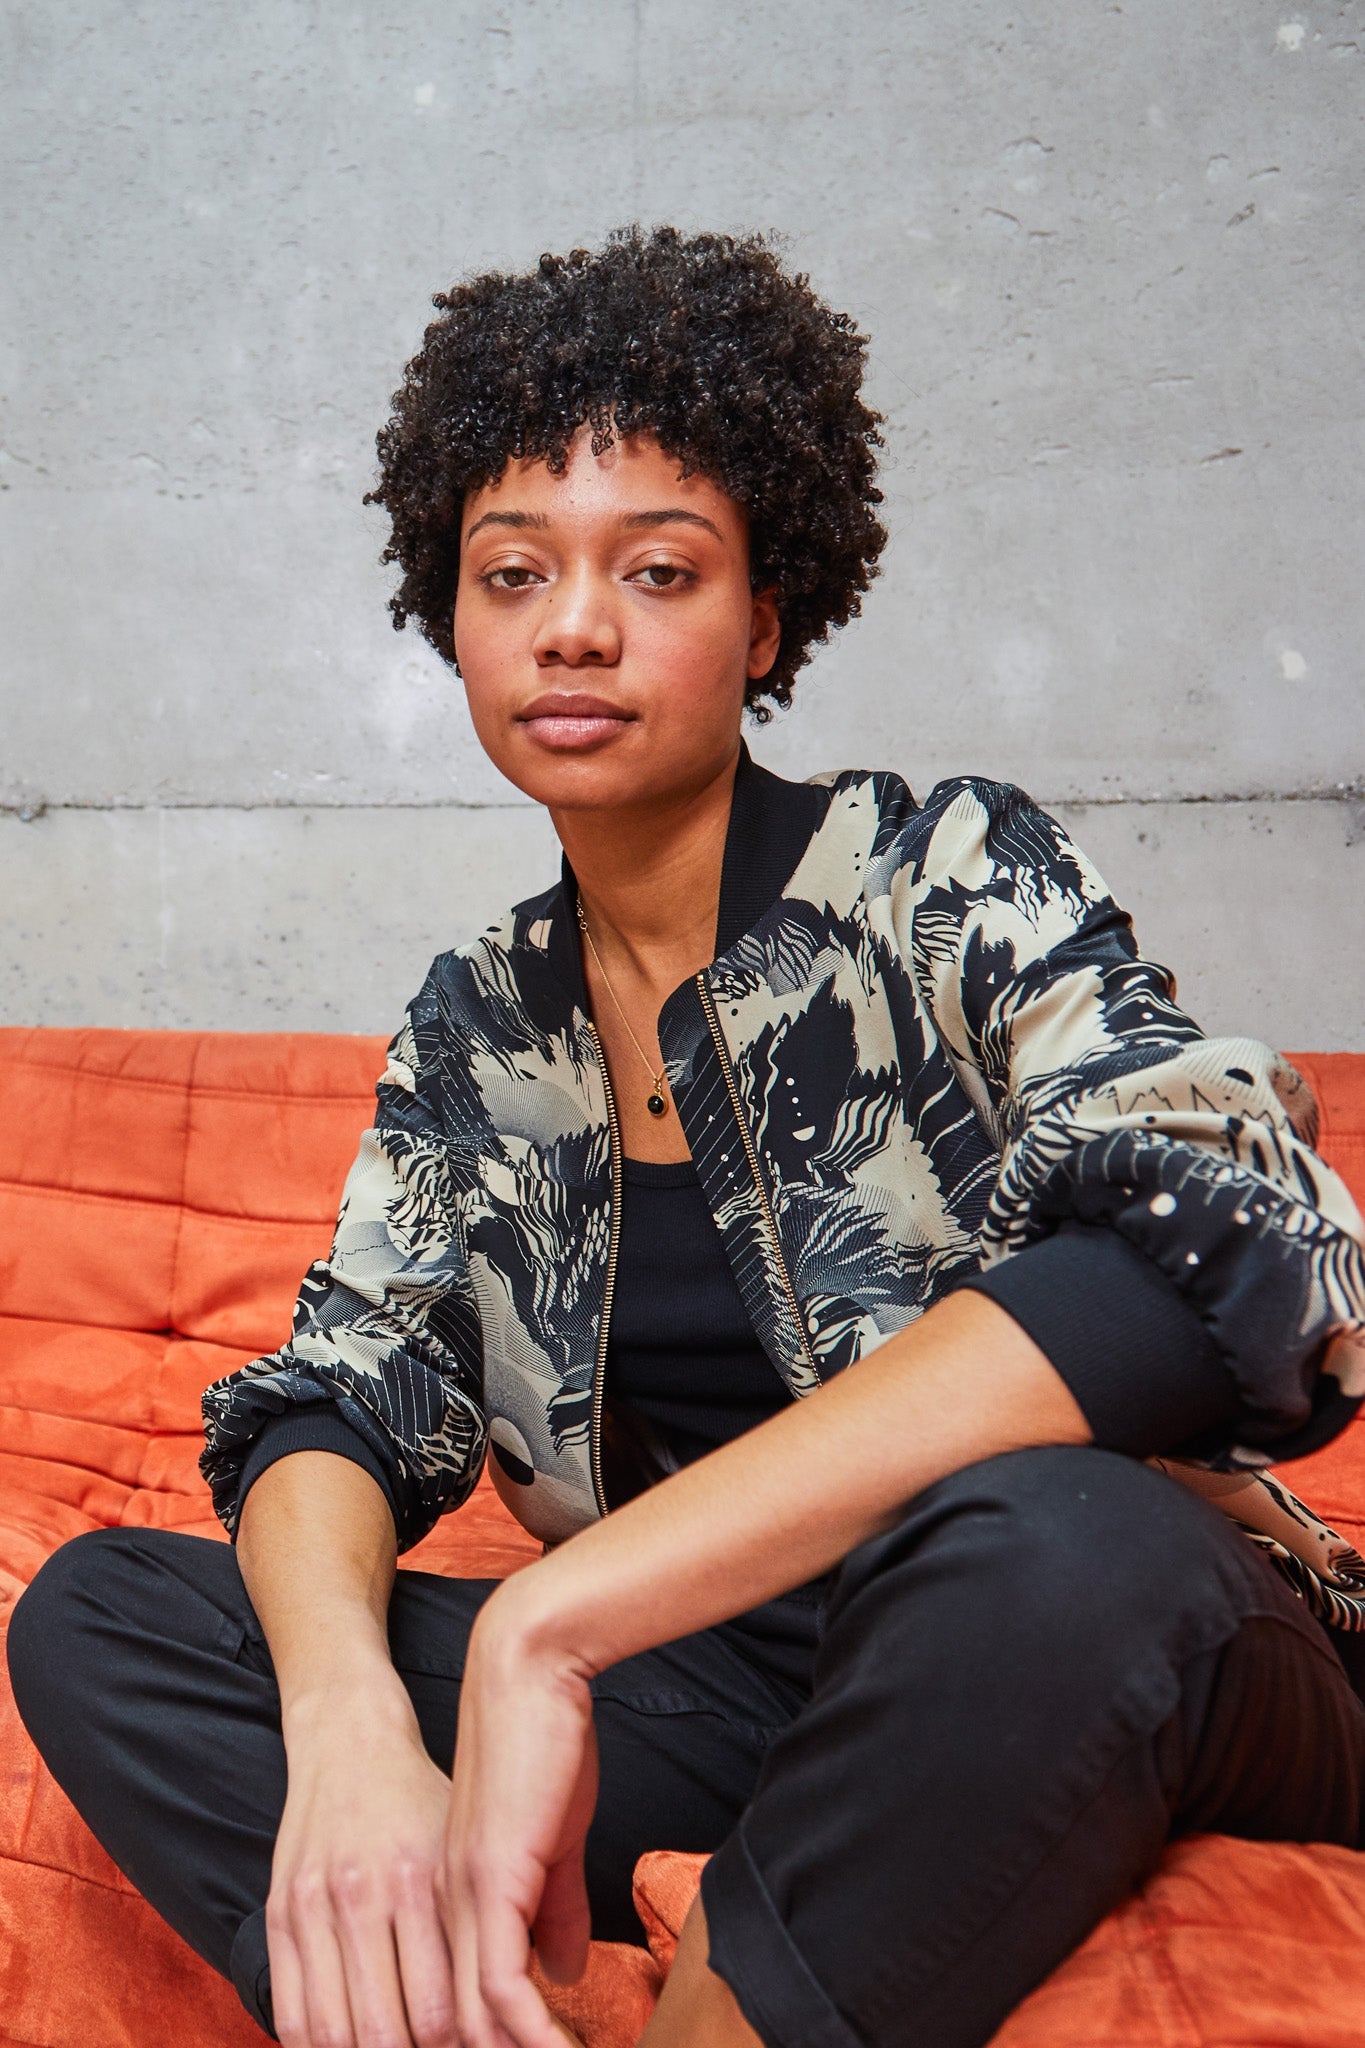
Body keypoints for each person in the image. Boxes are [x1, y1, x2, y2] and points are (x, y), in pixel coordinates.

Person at [10, 225, 1365, 2048]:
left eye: (657, 569)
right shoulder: (480, 1022)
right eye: (513, 574)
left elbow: (1230, 1237)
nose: (574, 623)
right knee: (108, 1614)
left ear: (765, 618)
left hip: (1109, 1628)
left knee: (1049, 1539)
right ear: (456, 621)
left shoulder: (937, 873)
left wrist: (548, 1623)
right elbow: (342, 1390)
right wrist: (344, 1723)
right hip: (739, 1697)